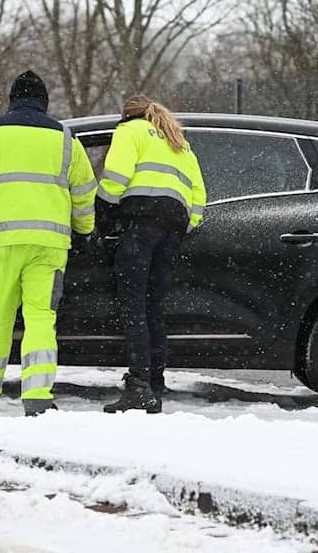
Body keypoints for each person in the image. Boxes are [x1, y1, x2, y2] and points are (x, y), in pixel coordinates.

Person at [0, 70, 97, 416]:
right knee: (40, 320)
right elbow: (84, 191)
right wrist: (85, 231)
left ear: (12, 100)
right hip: (48, 245)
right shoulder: (65, 138)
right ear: (44, 103)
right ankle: (37, 397)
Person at [99, 95, 206, 413]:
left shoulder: (129, 131)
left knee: (133, 307)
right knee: (153, 307)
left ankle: (138, 386)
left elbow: (115, 178)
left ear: (127, 116)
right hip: (171, 228)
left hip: (140, 223)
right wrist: (185, 225)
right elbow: (198, 194)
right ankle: (155, 382)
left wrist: (102, 214)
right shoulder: (179, 142)